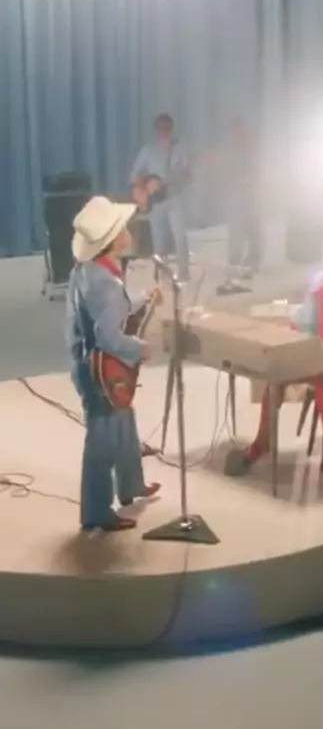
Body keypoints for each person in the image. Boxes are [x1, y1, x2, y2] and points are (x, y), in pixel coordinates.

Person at [225, 221, 323, 476]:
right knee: (275, 382)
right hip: (314, 353)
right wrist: (289, 332)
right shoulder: (321, 279)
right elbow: (304, 318)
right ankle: (262, 443)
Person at [66, 196, 162, 532]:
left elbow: (109, 308)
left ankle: (131, 485)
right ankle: (96, 512)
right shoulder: (105, 283)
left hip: (87, 364)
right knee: (103, 440)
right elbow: (108, 336)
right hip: (102, 371)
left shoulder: (88, 271)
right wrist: (141, 348)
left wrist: (141, 299)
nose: (128, 231)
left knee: (124, 423)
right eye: (122, 228)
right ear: (111, 240)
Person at [130, 113, 191, 282]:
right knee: (158, 240)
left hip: (175, 197)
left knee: (180, 236)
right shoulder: (148, 150)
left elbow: (187, 173)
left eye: (167, 128)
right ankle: (162, 275)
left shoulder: (180, 149)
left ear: (172, 129)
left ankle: (183, 273)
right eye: (161, 128)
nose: (164, 132)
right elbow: (134, 175)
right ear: (156, 130)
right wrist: (146, 185)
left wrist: (181, 177)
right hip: (156, 202)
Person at [217, 118, 261, 295]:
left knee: (255, 230)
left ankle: (251, 265)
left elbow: (260, 169)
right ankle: (234, 266)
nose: (238, 134)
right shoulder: (229, 152)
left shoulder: (252, 148)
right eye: (235, 131)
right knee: (236, 231)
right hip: (236, 194)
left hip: (253, 193)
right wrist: (238, 181)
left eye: (240, 130)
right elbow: (224, 174)